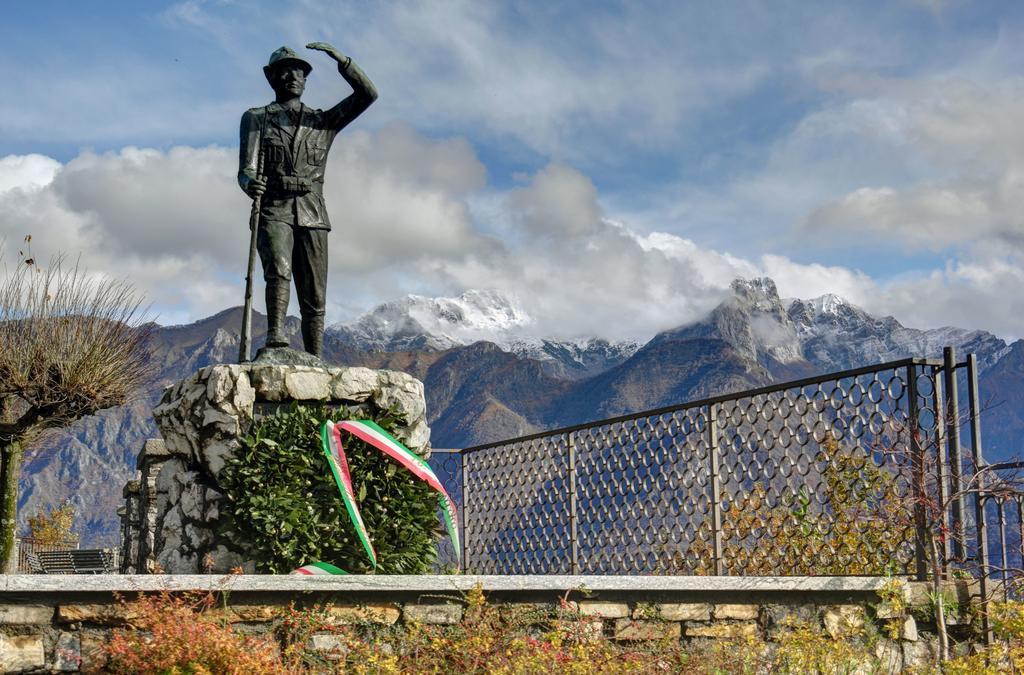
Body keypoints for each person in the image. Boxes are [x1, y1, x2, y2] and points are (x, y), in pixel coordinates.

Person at [238, 43, 377, 358]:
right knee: (278, 269)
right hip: (273, 208)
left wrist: (344, 62)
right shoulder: (257, 118)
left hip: (313, 213)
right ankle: (276, 339)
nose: (292, 76)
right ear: (272, 78)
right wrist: (250, 182)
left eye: (299, 71)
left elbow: (368, 95)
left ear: (306, 79)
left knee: (314, 291)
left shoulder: (323, 122)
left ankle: (315, 355)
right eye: (284, 71)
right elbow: (245, 168)